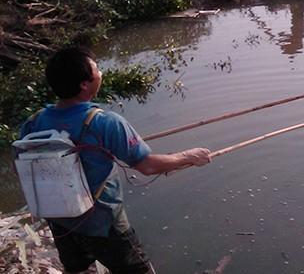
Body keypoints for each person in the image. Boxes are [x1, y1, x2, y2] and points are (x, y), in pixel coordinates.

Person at [19, 46, 213, 273]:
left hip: (60, 220)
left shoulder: (34, 122)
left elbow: (22, 168)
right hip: (103, 224)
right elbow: (148, 166)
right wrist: (187, 157)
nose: (101, 74)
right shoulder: (105, 122)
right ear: (84, 84)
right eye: (97, 70)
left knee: (76, 268)